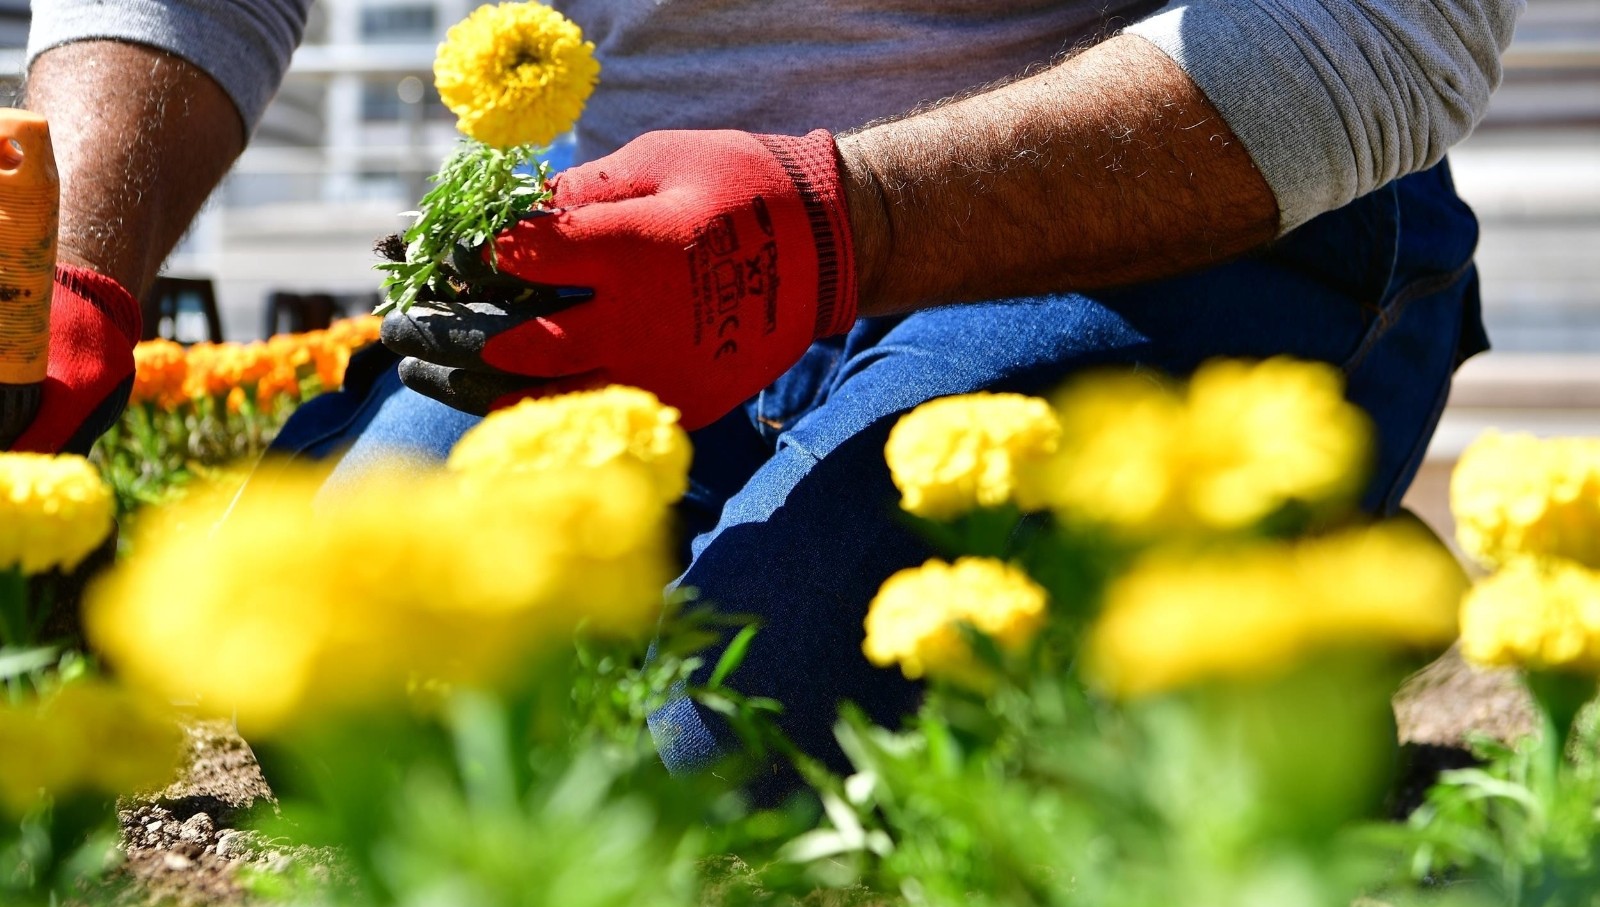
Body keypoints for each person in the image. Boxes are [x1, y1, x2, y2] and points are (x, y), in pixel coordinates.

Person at [21, 0, 1521, 777]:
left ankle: (1276, 608)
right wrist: (79, 263)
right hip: (636, 208)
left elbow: (1398, 23)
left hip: (1149, 195)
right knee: (357, 689)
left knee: (731, 737)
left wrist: (839, 223)